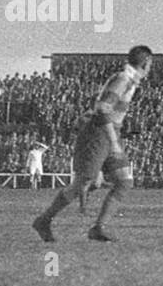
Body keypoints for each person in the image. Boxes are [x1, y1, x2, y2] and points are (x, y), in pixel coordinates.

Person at [33, 45, 153, 242]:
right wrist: (113, 141)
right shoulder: (123, 79)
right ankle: (44, 220)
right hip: (99, 134)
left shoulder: (128, 80)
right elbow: (103, 108)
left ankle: (99, 227)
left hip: (109, 132)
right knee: (83, 182)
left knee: (124, 181)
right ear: (145, 63)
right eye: (150, 65)